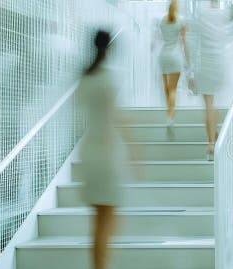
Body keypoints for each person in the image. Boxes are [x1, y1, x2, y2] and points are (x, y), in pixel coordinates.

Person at [76, 30, 129, 269]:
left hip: (89, 151)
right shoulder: (107, 78)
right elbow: (115, 117)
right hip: (106, 152)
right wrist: (134, 150)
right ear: (110, 48)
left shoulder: (85, 76)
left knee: (98, 220)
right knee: (108, 220)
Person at [187, 0, 233, 160]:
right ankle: (214, 132)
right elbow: (230, 37)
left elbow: (193, 43)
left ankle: (211, 144)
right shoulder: (224, 15)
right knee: (217, 102)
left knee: (209, 104)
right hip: (220, 63)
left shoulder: (201, 16)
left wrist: (190, 71)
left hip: (204, 64)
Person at [157, 0, 189, 128]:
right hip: (175, 57)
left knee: (166, 89)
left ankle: (168, 114)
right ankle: (170, 117)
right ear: (177, 7)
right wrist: (187, 59)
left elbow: (162, 38)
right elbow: (183, 42)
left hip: (163, 56)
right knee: (173, 89)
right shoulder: (181, 21)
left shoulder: (162, 21)